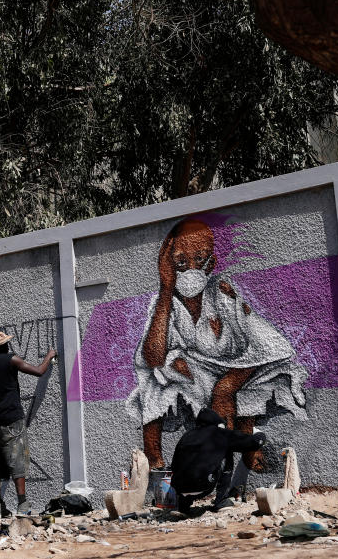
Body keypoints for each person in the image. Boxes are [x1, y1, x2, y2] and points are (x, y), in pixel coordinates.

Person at [126, 217, 308, 471]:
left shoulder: (221, 292)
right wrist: (166, 289)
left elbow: (263, 345)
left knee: (236, 393)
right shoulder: (164, 303)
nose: (190, 269)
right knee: (154, 383)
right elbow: (153, 357)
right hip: (193, 374)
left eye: (199, 259)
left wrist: (228, 385)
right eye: (180, 262)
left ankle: (244, 452)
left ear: (211, 262)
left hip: (238, 368)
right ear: (168, 265)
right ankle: (155, 465)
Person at [0, 329, 56, 517]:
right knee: (17, 460)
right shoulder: (11, 360)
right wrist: (49, 355)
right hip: (12, 420)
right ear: (4, 345)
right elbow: (39, 371)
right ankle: (22, 504)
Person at [170, 407, 266, 514]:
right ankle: (221, 501)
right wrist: (260, 435)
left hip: (180, 489)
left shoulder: (186, 436)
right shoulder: (219, 433)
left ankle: (183, 507)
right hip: (204, 485)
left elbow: (174, 465)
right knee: (226, 452)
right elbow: (252, 443)